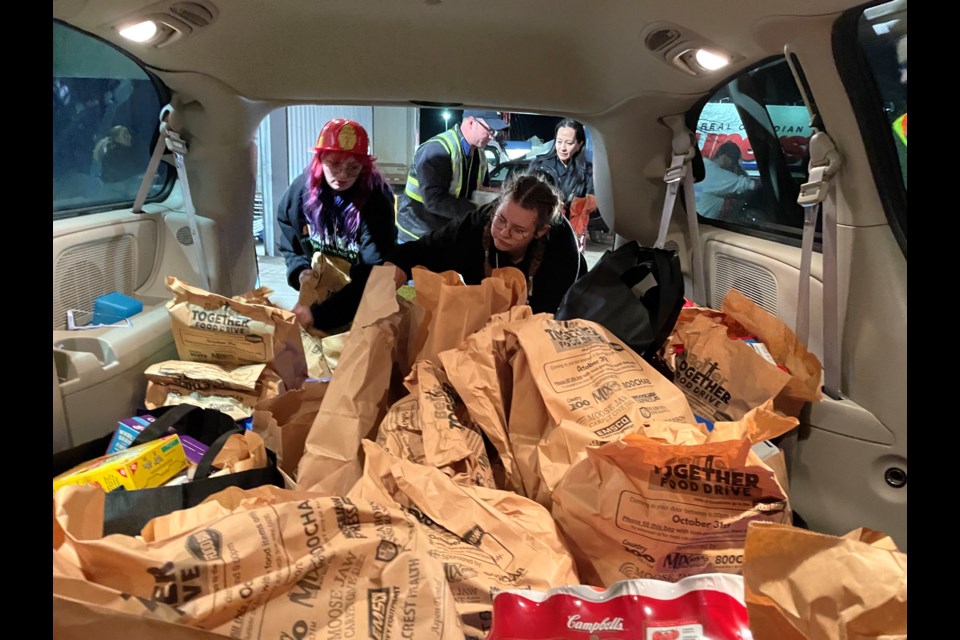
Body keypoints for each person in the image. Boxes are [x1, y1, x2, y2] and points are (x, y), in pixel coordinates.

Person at [386, 171, 582, 315]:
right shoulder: (477, 224)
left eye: (519, 230)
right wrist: (392, 276)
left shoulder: (562, 250)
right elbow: (421, 251)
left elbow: (547, 318)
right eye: (501, 220)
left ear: (541, 231)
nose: (504, 233)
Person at [279, 118, 397, 332]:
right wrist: (300, 270)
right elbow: (289, 236)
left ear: (364, 167)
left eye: (353, 167)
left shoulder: (376, 200)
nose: (343, 175)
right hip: (319, 288)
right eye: (334, 164)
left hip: (359, 294)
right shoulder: (300, 192)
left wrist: (318, 316)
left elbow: (373, 272)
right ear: (320, 159)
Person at [395, 109, 508, 243]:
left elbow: (479, 188)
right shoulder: (437, 149)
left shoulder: (480, 155)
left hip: (446, 232)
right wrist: (477, 209)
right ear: (471, 122)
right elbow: (434, 201)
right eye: (489, 130)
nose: (491, 136)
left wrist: (500, 195)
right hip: (419, 234)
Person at [528, 118, 597, 252]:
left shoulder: (588, 172)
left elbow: (590, 207)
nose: (563, 148)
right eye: (559, 142)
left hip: (570, 236)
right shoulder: (539, 165)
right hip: (539, 232)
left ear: (579, 144)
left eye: (569, 143)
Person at [694, 141, 760, 219]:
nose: (732, 165)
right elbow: (748, 184)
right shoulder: (716, 173)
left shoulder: (702, 166)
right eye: (734, 162)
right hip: (706, 222)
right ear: (725, 157)